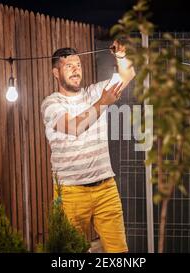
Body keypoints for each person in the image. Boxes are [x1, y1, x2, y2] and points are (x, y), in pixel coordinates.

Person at [41, 41, 135, 253]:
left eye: (79, 65)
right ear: (56, 72)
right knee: (71, 252)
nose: (76, 70)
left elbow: (128, 74)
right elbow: (74, 127)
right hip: (71, 191)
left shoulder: (94, 92)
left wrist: (121, 56)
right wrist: (103, 103)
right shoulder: (51, 104)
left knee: (119, 252)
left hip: (106, 188)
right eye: (69, 66)